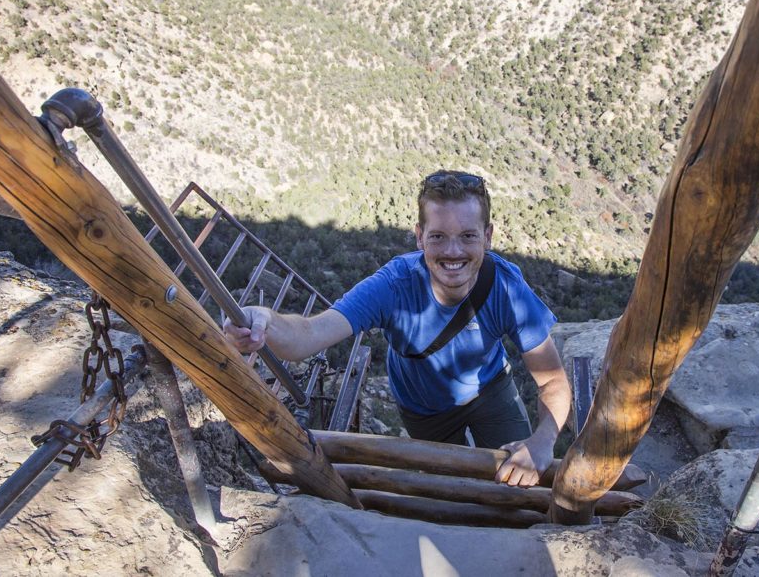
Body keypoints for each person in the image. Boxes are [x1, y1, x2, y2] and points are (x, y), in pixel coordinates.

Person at [223, 171, 571, 488]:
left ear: (488, 236)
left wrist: (542, 442)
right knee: (448, 491)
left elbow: (552, 381)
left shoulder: (506, 290)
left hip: (491, 391)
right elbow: (310, 335)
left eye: (467, 236)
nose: (453, 252)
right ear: (419, 237)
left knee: (521, 479)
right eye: (438, 237)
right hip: (424, 409)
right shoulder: (393, 286)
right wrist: (264, 320)